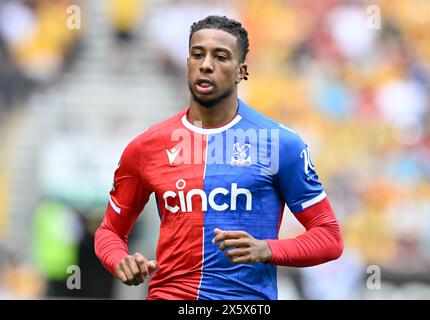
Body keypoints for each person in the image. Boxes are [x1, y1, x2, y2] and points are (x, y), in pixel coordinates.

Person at [94, 15, 343, 300]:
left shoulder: (280, 143)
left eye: (221, 56)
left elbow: (329, 237)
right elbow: (109, 231)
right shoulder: (147, 146)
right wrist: (119, 260)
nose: (206, 64)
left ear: (241, 71)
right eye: (197, 54)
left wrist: (268, 249)